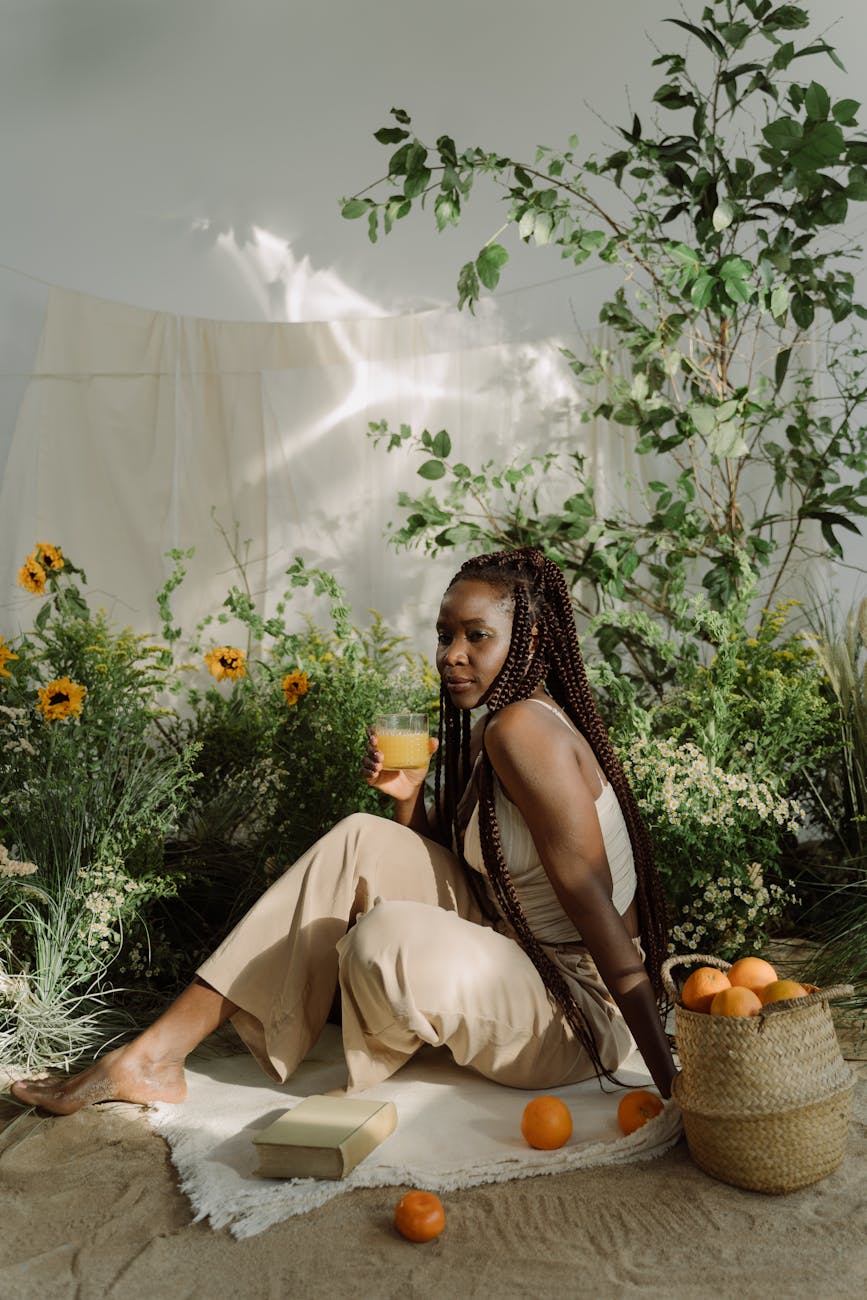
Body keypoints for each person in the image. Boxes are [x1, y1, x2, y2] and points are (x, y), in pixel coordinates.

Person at [10, 547, 677, 1115]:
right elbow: (477, 876)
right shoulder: (501, 722)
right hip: (517, 946)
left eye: (477, 636)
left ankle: (152, 1058)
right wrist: (408, 799)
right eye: (445, 634)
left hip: (574, 1009)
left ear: (529, 640)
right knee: (361, 834)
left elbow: (599, 917)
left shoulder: (521, 730)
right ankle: (152, 1057)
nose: (452, 655)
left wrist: (668, 1081)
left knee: (383, 941)